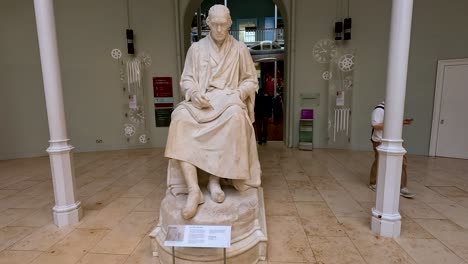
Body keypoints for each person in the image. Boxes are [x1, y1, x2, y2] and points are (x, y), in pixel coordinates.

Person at [164, 5, 261, 219]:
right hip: (203, 101)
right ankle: (193, 190)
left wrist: (238, 93)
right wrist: (194, 92)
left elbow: (250, 79)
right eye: (214, 24)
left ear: (229, 24)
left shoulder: (239, 49)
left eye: (223, 25)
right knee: (179, 119)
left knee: (236, 118)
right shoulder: (196, 49)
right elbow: (187, 79)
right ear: (208, 23)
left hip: (228, 100)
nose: (218, 29)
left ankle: (215, 180)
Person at [369, 101, 415, 198]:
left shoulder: (392, 111)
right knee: (379, 161)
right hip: (379, 140)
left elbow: (391, 124)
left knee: (402, 162)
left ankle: (402, 187)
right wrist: (392, 124)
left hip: (394, 140)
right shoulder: (379, 110)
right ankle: (373, 183)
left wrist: (401, 122)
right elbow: (375, 125)